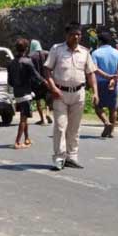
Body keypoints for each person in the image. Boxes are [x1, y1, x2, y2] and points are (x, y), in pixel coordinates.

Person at [44, 22, 99, 171]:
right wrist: (53, 88)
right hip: (60, 94)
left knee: (74, 128)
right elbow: (47, 71)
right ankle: (59, 158)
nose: (76, 37)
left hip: (78, 94)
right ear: (66, 35)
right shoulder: (57, 50)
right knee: (61, 127)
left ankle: (72, 157)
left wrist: (95, 92)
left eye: (78, 34)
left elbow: (90, 73)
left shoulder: (85, 52)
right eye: (73, 34)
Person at [8, 38, 48, 149]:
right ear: (26, 49)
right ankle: (17, 142)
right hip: (25, 93)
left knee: (23, 116)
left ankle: (26, 138)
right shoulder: (27, 61)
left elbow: (10, 82)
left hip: (17, 93)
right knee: (23, 118)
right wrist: (46, 82)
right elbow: (36, 75)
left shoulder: (11, 63)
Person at [91, 31, 118, 138]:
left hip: (100, 83)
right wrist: (114, 77)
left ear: (100, 41)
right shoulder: (117, 52)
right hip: (113, 83)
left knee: (97, 106)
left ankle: (106, 122)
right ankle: (112, 131)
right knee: (113, 108)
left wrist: (106, 76)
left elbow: (95, 68)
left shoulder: (96, 53)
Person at [29, 39, 53, 125]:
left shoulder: (30, 56)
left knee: (38, 100)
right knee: (47, 99)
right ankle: (47, 113)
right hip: (47, 80)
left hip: (36, 82)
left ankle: (42, 119)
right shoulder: (46, 53)